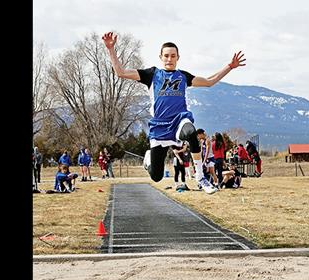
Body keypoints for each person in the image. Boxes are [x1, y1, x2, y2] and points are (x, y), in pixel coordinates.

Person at [102, 32, 245, 194]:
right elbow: (120, 72)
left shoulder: (183, 76)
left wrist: (229, 67)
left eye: (173, 56)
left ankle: (200, 177)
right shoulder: (151, 74)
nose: (169, 59)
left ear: (178, 57)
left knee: (191, 131)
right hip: (160, 127)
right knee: (156, 176)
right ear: (161, 57)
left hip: (179, 120)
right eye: (166, 56)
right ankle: (149, 160)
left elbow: (209, 82)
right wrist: (111, 49)